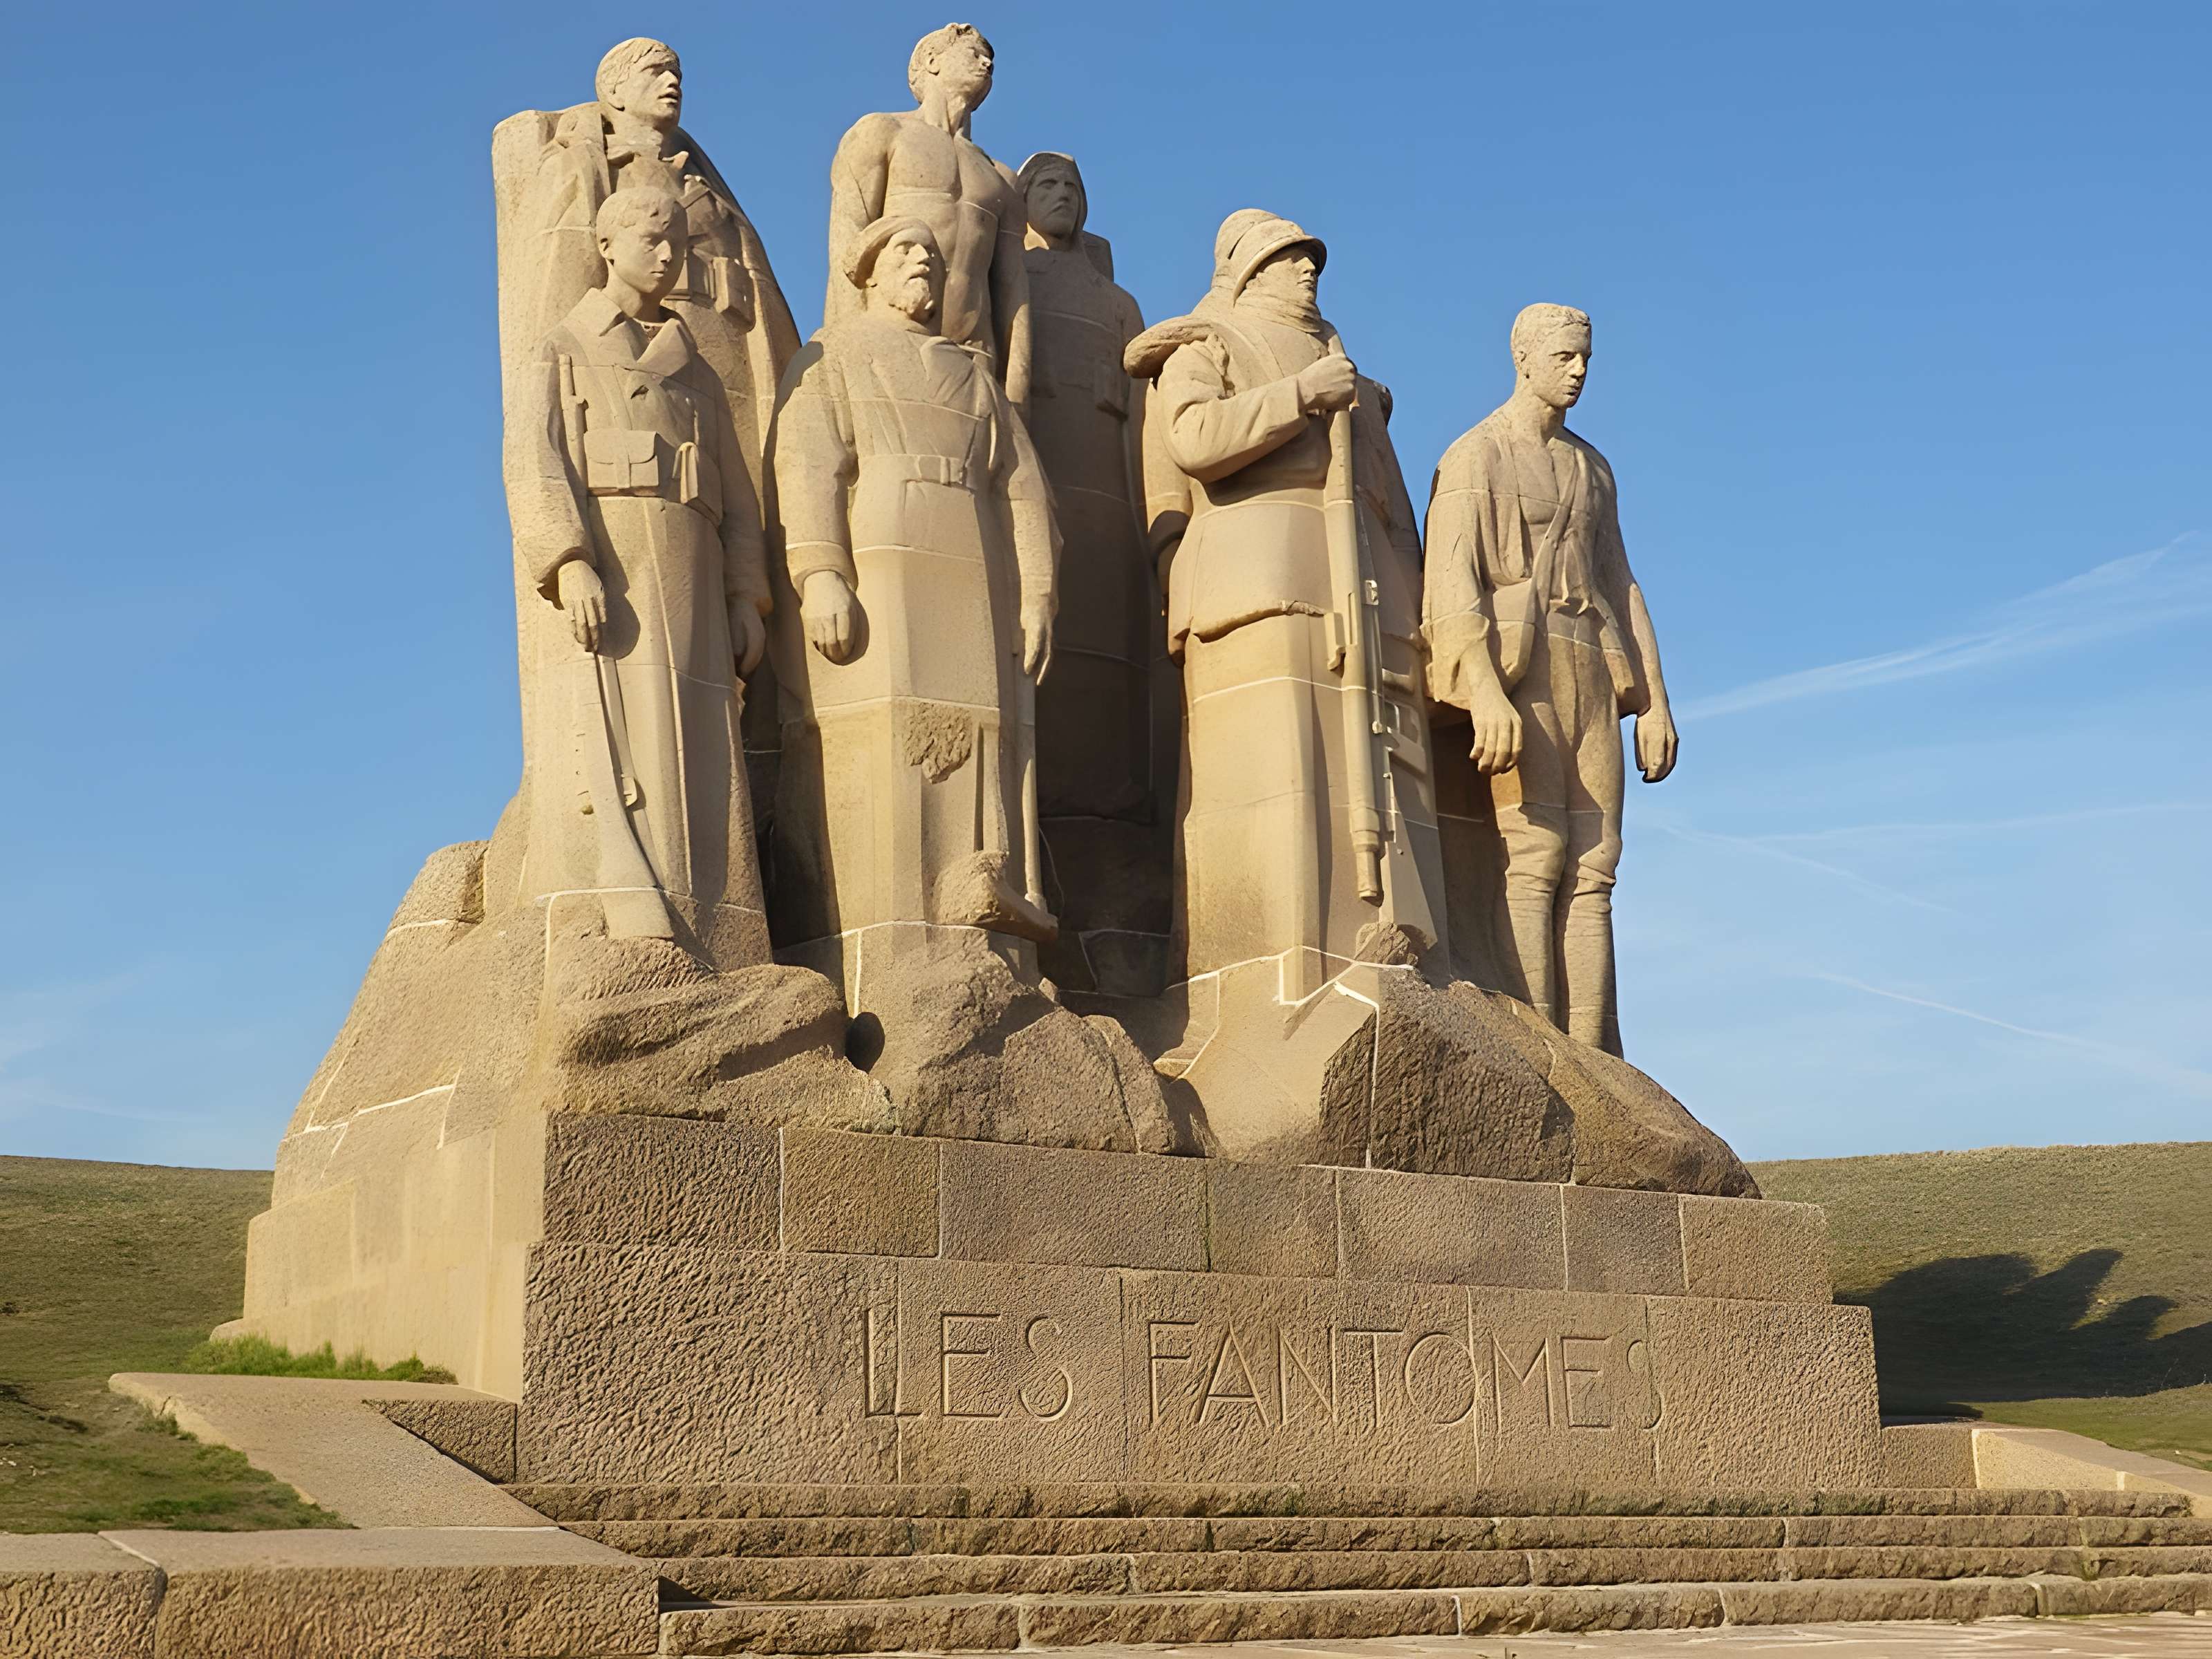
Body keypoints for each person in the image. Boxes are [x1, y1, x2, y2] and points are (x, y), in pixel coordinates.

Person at [1126, 210, 1446, 1017]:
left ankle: (1385, 950)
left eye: (1309, 261)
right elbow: (1192, 439)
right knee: (1278, 774)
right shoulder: (1208, 345)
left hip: (1361, 591)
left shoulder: (1348, 367)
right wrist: (1298, 396)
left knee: (1373, 775)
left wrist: (1421, 611)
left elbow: (1392, 507)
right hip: (1259, 575)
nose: (1305, 272)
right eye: (1284, 259)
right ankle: (1273, 978)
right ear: (1243, 270)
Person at [767, 216, 1058, 990]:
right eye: (905, 253)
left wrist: (1037, 594)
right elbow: (806, 467)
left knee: (981, 733)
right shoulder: (833, 358)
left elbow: (1024, 491)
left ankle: (982, 908)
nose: (923, 265)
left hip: (972, 557)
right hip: (881, 553)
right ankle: (890, 941)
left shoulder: (974, 378)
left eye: (932, 256)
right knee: (887, 736)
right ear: (868, 274)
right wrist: (821, 571)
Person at [504, 186, 771, 980]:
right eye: (652, 240)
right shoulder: (564, 344)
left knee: (697, 745)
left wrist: (746, 596)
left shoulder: (695, 367)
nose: (668, 256)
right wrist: (568, 559)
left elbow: (741, 501)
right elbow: (534, 461)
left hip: (692, 561)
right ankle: (635, 911)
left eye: (677, 244)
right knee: (620, 742)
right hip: (615, 555)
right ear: (608, 244)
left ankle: (719, 933)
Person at [1424, 303, 1679, 1055]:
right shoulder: (1475, 455)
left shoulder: (1591, 467)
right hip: (1520, 664)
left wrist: (1656, 702)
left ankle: (1597, 1057)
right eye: (1565, 357)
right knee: (1534, 856)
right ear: (1524, 358)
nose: (1578, 372)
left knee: (1595, 867)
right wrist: (1482, 687)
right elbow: (1449, 582)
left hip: (1591, 666)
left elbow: (1621, 581)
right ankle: (1538, 1050)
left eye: (1585, 359)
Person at [822, 24, 1031, 402]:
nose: (986, 63)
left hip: (974, 355)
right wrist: (844, 349)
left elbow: (1014, 293)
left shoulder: (1003, 179)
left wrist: (1018, 393)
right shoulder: (882, 132)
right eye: (973, 52)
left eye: (991, 60)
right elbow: (848, 248)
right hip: (891, 341)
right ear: (932, 61)